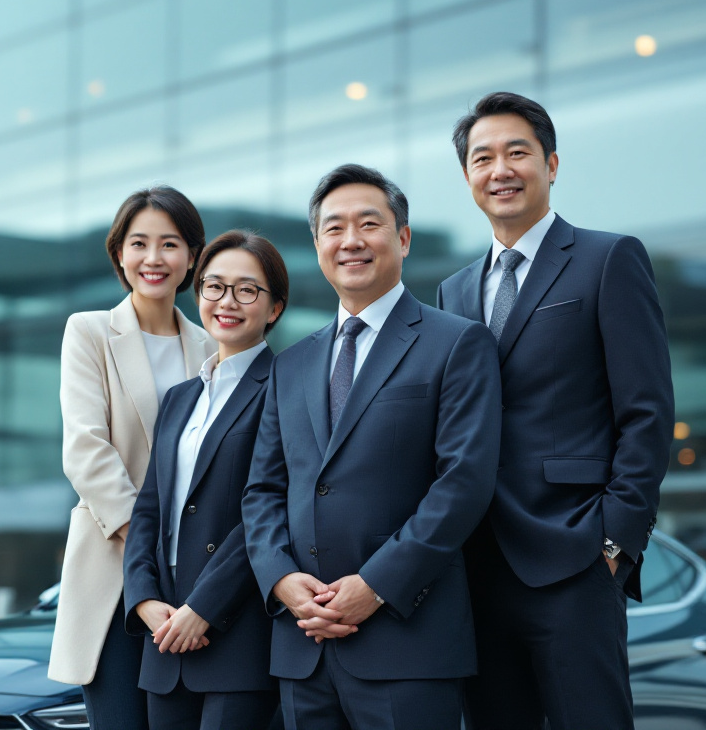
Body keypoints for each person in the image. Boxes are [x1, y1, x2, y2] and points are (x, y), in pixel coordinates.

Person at [437, 91, 675, 730]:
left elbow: (647, 412)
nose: (500, 170)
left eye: (518, 152)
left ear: (552, 164)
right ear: (468, 178)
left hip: (574, 556)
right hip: (477, 566)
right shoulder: (452, 291)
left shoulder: (607, 259)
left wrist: (617, 539)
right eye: (483, 158)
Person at [241, 164, 502, 730]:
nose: (351, 241)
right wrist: (281, 581)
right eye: (334, 228)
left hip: (408, 640)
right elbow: (262, 489)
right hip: (302, 645)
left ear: (403, 238)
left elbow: (463, 482)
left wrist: (378, 585)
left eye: (369, 224)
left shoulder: (455, 342)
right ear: (317, 246)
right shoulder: (290, 364)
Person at [49, 187, 217, 729]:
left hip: (194, 582)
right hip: (113, 573)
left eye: (170, 244)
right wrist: (147, 549)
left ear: (192, 256)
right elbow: (86, 451)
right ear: (118, 253)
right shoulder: (90, 332)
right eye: (139, 243)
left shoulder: (213, 346)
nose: (154, 258)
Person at [124, 230, 288, 730]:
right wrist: (146, 601)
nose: (227, 302)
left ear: (275, 308)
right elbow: (149, 509)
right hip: (165, 632)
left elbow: (269, 510)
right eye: (214, 287)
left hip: (235, 629)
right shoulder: (179, 397)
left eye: (247, 289)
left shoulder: (287, 385)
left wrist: (204, 608)